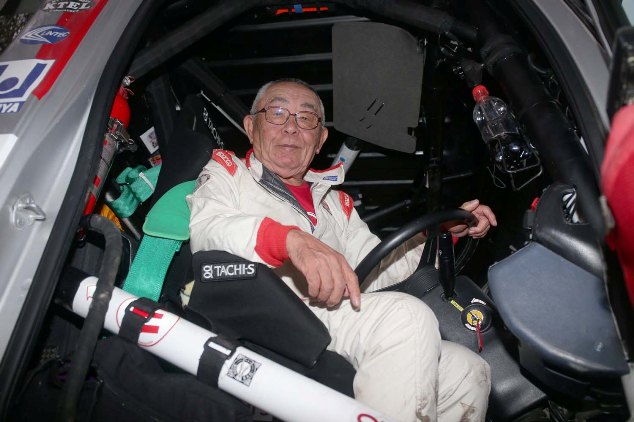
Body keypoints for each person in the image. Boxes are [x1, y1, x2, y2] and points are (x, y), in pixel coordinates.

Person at [187, 79, 497, 421]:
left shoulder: (337, 205)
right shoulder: (229, 173)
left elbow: (383, 272)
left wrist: (443, 235)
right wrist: (291, 240)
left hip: (329, 316)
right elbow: (208, 229)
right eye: (276, 113)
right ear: (250, 126)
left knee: (466, 367)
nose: (291, 127)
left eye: (306, 120)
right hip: (264, 314)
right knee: (405, 318)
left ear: (319, 140)